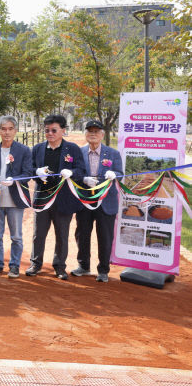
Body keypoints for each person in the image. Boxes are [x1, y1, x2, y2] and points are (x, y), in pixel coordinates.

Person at [26, 114, 85, 280]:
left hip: (63, 199)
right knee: (39, 234)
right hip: (43, 198)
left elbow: (81, 171)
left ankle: (59, 266)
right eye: (47, 130)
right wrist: (36, 173)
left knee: (62, 234)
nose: (50, 133)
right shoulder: (37, 148)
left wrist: (71, 172)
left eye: (54, 130)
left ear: (63, 131)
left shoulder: (72, 149)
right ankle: (35, 264)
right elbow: (29, 169)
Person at [72, 120, 122, 283]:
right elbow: (75, 174)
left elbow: (120, 173)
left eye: (96, 131)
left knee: (105, 236)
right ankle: (84, 265)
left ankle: (103, 270)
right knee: (82, 234)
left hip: (106, 202)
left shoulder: (113, 153)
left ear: (102, 134)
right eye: (89, 131)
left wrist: (114, 175)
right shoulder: (79, 152)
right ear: (85, 134)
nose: (92, 134)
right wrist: (84, 179)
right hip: (84, 201)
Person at [0, 116, 33, 279]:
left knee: (16, 236)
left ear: (16, 130)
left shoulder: (24, 150)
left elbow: (28, 173)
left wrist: (15, 180)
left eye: (10, 129)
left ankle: (14, 265)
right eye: (3, 129)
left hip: (15, 200)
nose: (7, 132)